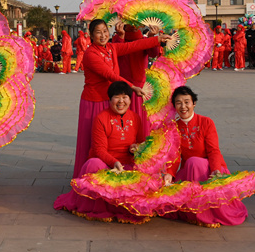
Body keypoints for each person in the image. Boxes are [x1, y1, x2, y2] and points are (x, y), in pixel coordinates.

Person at [72, 19, 170, 178]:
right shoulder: (90, 54)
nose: (103, 35)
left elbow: (133, 46)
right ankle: (86, 175)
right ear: (91, 35)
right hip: (94, 101)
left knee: (109, 141)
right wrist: (131, 87)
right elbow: (111, 75)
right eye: (98, 32)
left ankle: (111, 170)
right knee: (92, 141)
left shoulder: (111, 48)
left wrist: (157, 39)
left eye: (105, 31)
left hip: (109, 99)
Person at [55, 81, 149, 224]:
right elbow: (99, 150)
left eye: (125, 97)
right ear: (110, 99)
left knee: (147, 169)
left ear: (130, 100)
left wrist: (136, 148)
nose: (121, 101)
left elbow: (142, 142)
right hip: (106, 164)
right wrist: (114, 163)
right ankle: (97, 208)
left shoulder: (135, 118)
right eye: (117, 97)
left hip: (127, 164)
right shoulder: (101, 118)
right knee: (93, 164)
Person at [169, 86, 247, 227]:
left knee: (194, 162)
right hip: (189, 171)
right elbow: (175, 156)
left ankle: (204, 213)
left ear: (194, 103)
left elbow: (214, 150)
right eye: (178, 102)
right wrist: (169, 174)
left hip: (210, 169)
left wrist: (216, 169)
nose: (183, 106)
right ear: (174, 106)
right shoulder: (173, 127)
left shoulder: (206, 122)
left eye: (187, 102)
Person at [113, 22, 162, 138]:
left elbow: (154, 53)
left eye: (136, 22)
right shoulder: (117, 39)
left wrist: (152, 37)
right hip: (122, 86)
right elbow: (115, 53)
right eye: (130, 22)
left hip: (140, 87)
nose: (133, 25)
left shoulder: (143, 39)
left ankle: (140, 141)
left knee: (141, 119)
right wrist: (120, 36)